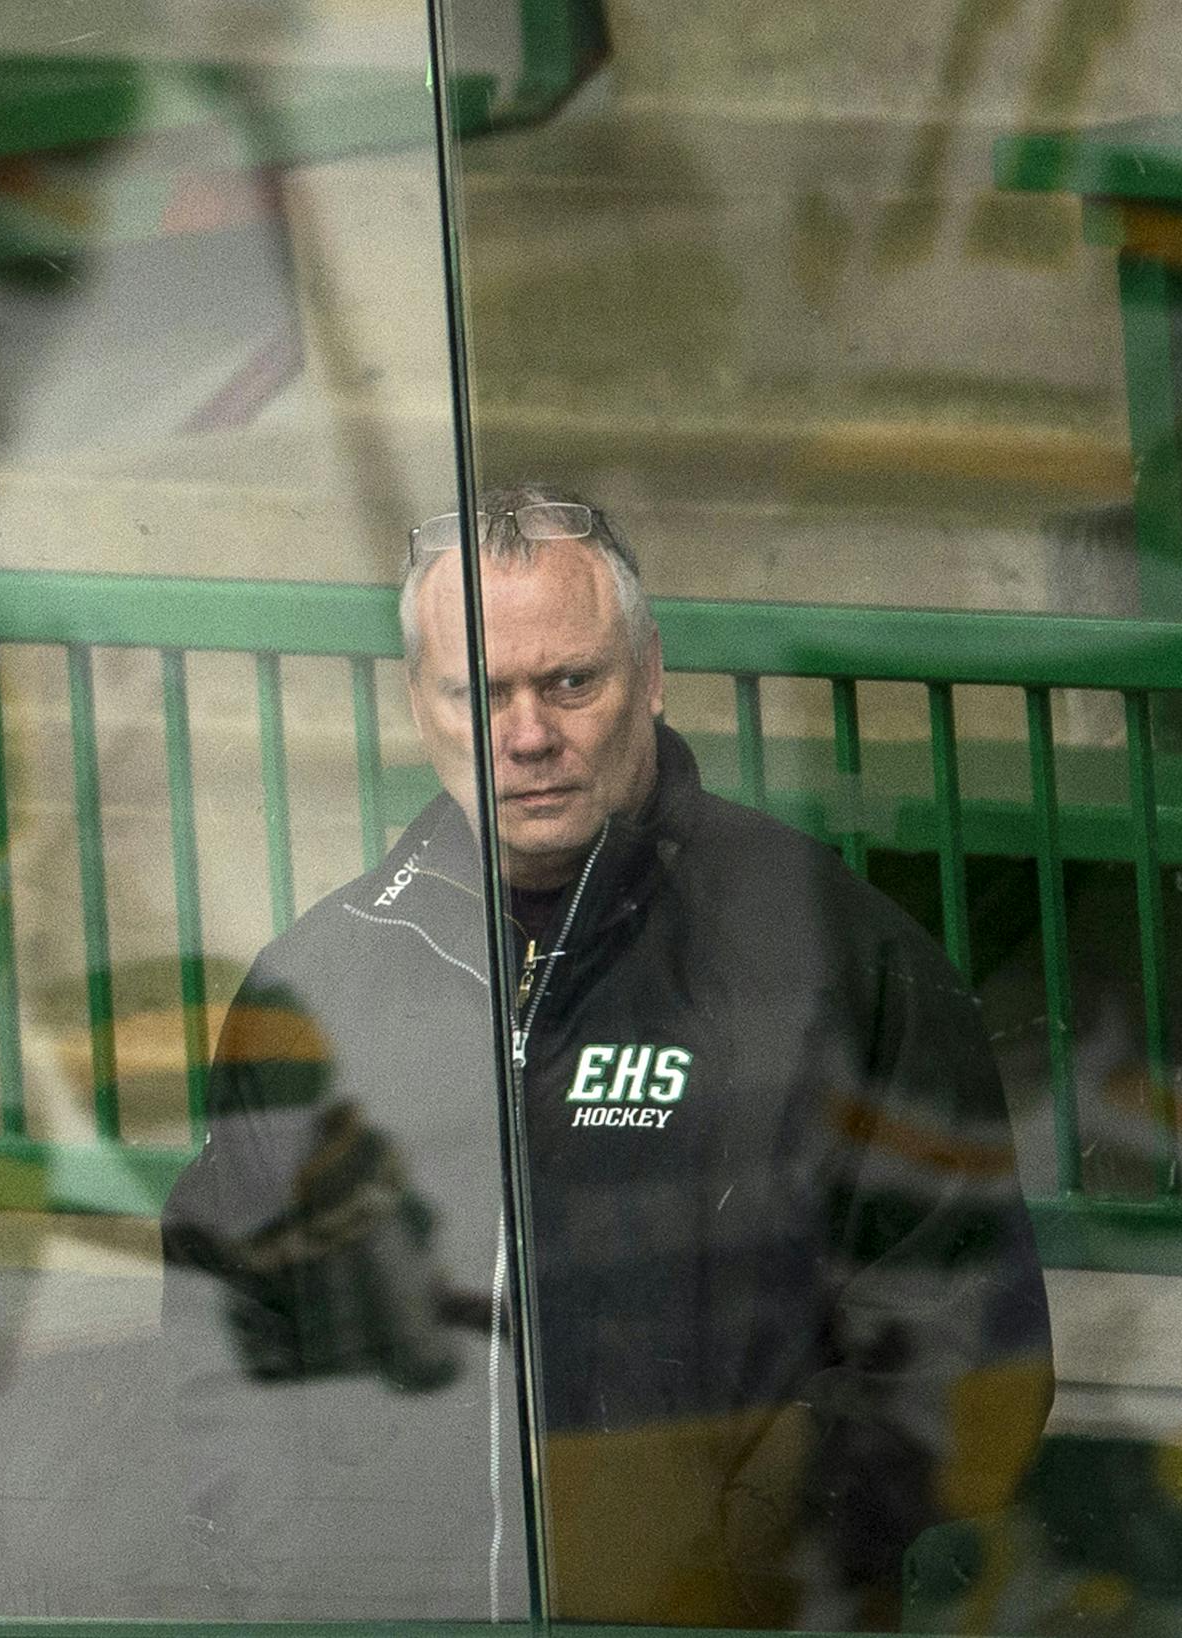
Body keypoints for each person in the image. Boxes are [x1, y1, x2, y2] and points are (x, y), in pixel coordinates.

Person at [160, 483, 1054, 1630]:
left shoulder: (829, 954)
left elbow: (966, 1342)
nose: (527, 735)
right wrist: (302, 1581)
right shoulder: (321, 979)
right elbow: (224, 1322)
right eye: (477, 692)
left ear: (652, 672)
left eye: (569, 683)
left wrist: (740, 1564)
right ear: (417, 705)